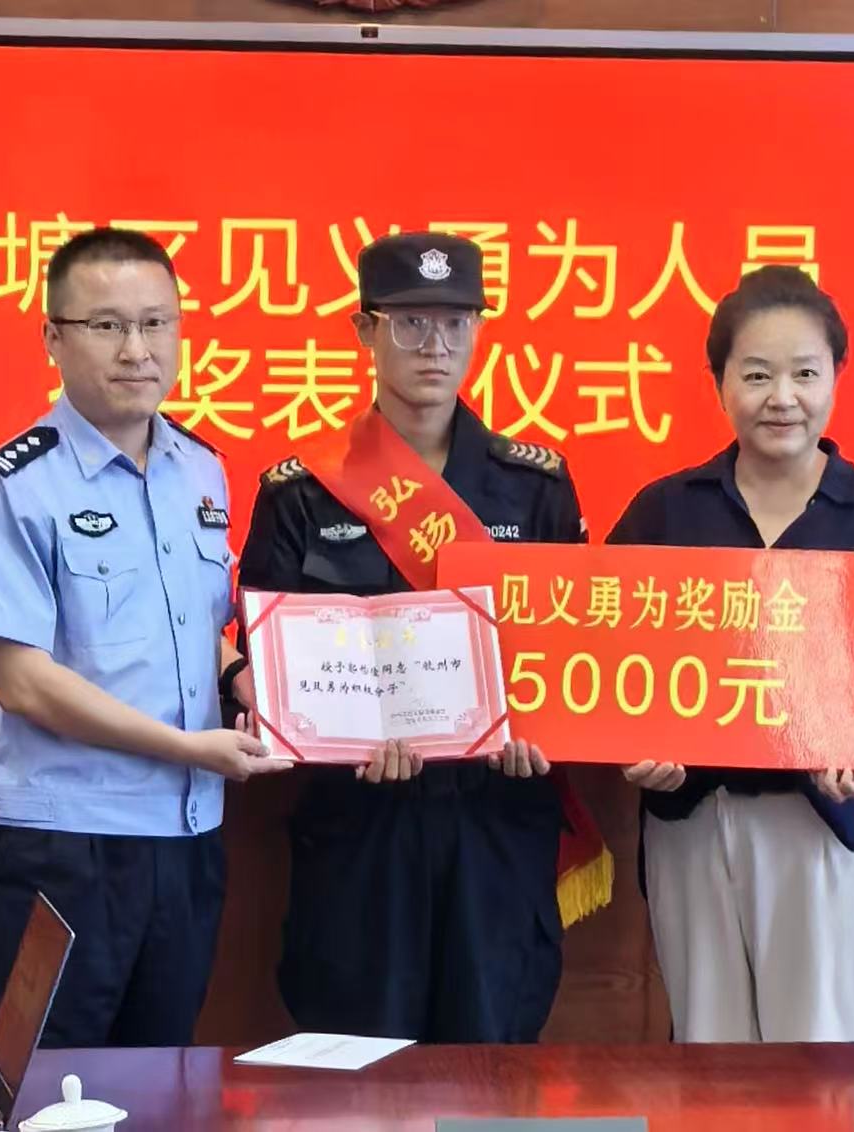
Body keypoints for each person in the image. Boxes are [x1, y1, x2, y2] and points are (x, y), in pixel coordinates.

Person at [608, 265, 854, 1042]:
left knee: (820, 1064)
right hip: (692, 821)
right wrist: (633, 741)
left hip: (823, 825)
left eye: (805, 374)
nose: (782, 397)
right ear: (718, 384)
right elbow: (604, 663)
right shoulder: (663, 514)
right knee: (706, 1055)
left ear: (836, 377)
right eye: (756, 375)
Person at [237, 232, 588, 1042]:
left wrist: (543, 728)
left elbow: (565, 646)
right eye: (410, 323)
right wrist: (334, 733)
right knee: (357, 1065)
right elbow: (267, 657)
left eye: (456, 323)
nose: (435, 345)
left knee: (491, 1064)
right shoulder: (301, 493)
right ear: (365, 330)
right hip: (361, 822)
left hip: (494, 815)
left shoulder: (535, 485)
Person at [0, 227, 287, 1049]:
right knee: (48, 1093)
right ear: (53, 338)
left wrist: (239, 675)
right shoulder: (10, 485)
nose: (137, 350)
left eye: (156, 323)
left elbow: (190, 628)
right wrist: (187, 747)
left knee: (162, 1086)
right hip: (65, 847)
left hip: (186, 840)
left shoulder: (200, 470)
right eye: (106, 326)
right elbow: (23, 682)